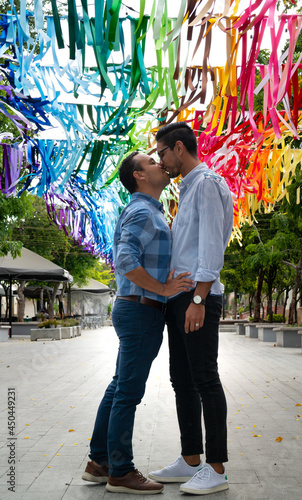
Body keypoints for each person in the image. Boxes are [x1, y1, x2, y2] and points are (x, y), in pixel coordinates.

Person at [82, 151, 194, 495]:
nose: (160, 163)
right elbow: (124, 258)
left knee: (119, 386)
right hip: (142, 309)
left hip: (137, 308)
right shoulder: (144, 211)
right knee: (128, 391)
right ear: (139, 176)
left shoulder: (149, 211)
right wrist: (161, 288)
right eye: (151, 161)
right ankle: (120, 471)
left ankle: (99, 462)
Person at [148, 123, 233, 495]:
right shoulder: (187, 189)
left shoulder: (207, 183)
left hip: (199, 298)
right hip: (179, 298)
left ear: (179, 148)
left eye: (162, 153)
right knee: (181, 380)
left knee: (204, 378)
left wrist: (198, 299)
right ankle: (190, 458)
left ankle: (216, 468)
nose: (161, 161)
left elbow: (212, 246)